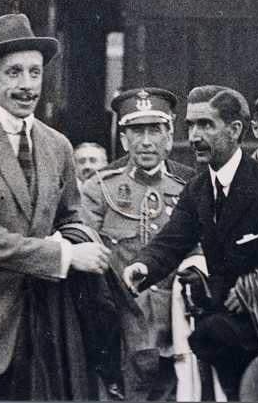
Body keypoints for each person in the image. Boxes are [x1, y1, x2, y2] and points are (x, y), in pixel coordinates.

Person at [0, 13, 110, 400]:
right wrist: (64, 256)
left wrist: (77, 237)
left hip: (39, 327)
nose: (27, 85)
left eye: (35, 72)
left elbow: (71, 214)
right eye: (14, 73)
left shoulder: (57, 145)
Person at [122, 85, 258, 399]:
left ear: (235, 130)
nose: (194, 136)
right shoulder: (198, 188)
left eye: (206, 125)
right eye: (190, 125)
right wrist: (141, 267)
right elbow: (171, 241)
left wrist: (253, 288)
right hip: (220, 329)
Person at [81, 87, 188, 399]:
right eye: (136, 131)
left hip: (174, 328)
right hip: (118, 330)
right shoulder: (99, 189)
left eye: (155, 130)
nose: (145, 141)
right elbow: (89, 252)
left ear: (169, 136)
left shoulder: (188, 190)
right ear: (124, 139)